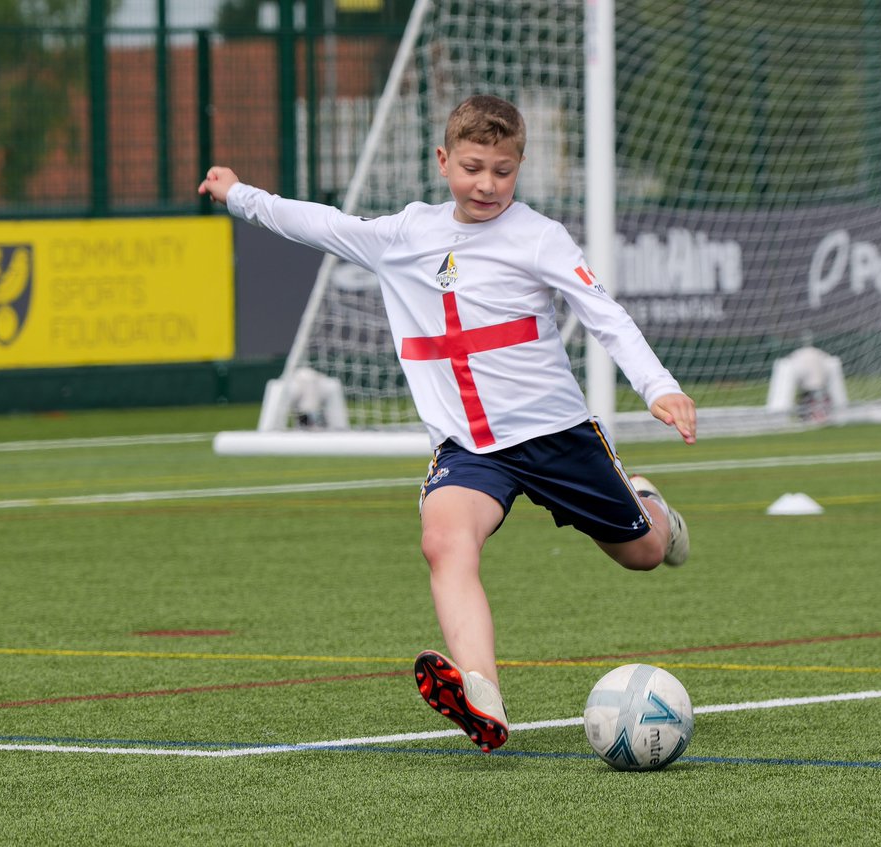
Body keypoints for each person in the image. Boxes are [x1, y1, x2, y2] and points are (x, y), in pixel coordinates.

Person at [199, 94, 696, 753]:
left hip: (556, 435)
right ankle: (481, 694)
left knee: (645, 553)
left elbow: (605, 314)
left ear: (520, 168)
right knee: (444, 541)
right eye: (472, 167)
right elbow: (318, 223)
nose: (486, 184)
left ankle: (648, 502)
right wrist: (240, 195)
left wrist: (659, 387)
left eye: (502, 170)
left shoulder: (539, 237)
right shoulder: (407, 234)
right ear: (442, 161)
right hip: (470, 449)